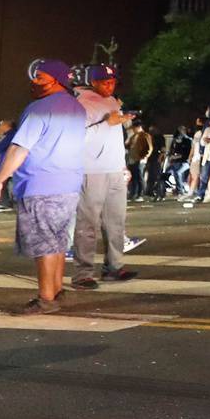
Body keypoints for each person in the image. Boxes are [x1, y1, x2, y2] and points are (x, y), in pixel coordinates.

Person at [0, 60, 88, 315]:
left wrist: (0, 179)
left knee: (43, 242)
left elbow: (20, 147)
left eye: (40, 77)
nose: (34, 81)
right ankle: (56, 290)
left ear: (55, 79)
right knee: (57, 240)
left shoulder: (39, 109)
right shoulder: (76, 107)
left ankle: (45, 298)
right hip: (69, 182)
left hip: (40, 182)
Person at [71, 64, 141, 290]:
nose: (110, 85)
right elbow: (77, 138)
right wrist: (105, 124)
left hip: (114, 170)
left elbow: (115, 139)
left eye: (112, 81)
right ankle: (83, 273)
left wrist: (123, 165)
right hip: (91, 170)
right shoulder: (80, 103)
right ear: (92, 81)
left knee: (116, 222)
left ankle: (114, 266)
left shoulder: (112, 102)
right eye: (104, 81)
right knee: (88, 223)